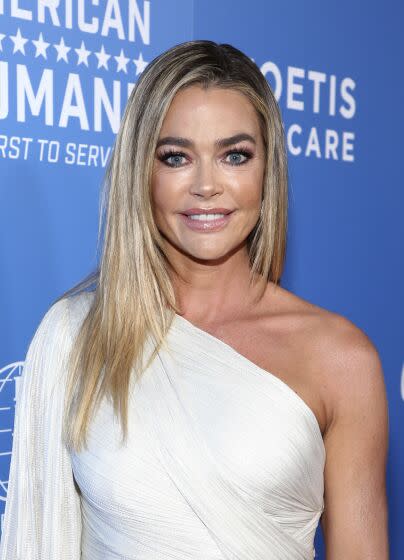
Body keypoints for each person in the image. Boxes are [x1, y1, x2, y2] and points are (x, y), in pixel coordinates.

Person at [0, 40, 389, 559]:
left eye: (234, 155)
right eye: (177, 157)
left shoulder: (341, 359)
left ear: (267, 170)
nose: (207, 185)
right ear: (141, 172)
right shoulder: (75, 336)